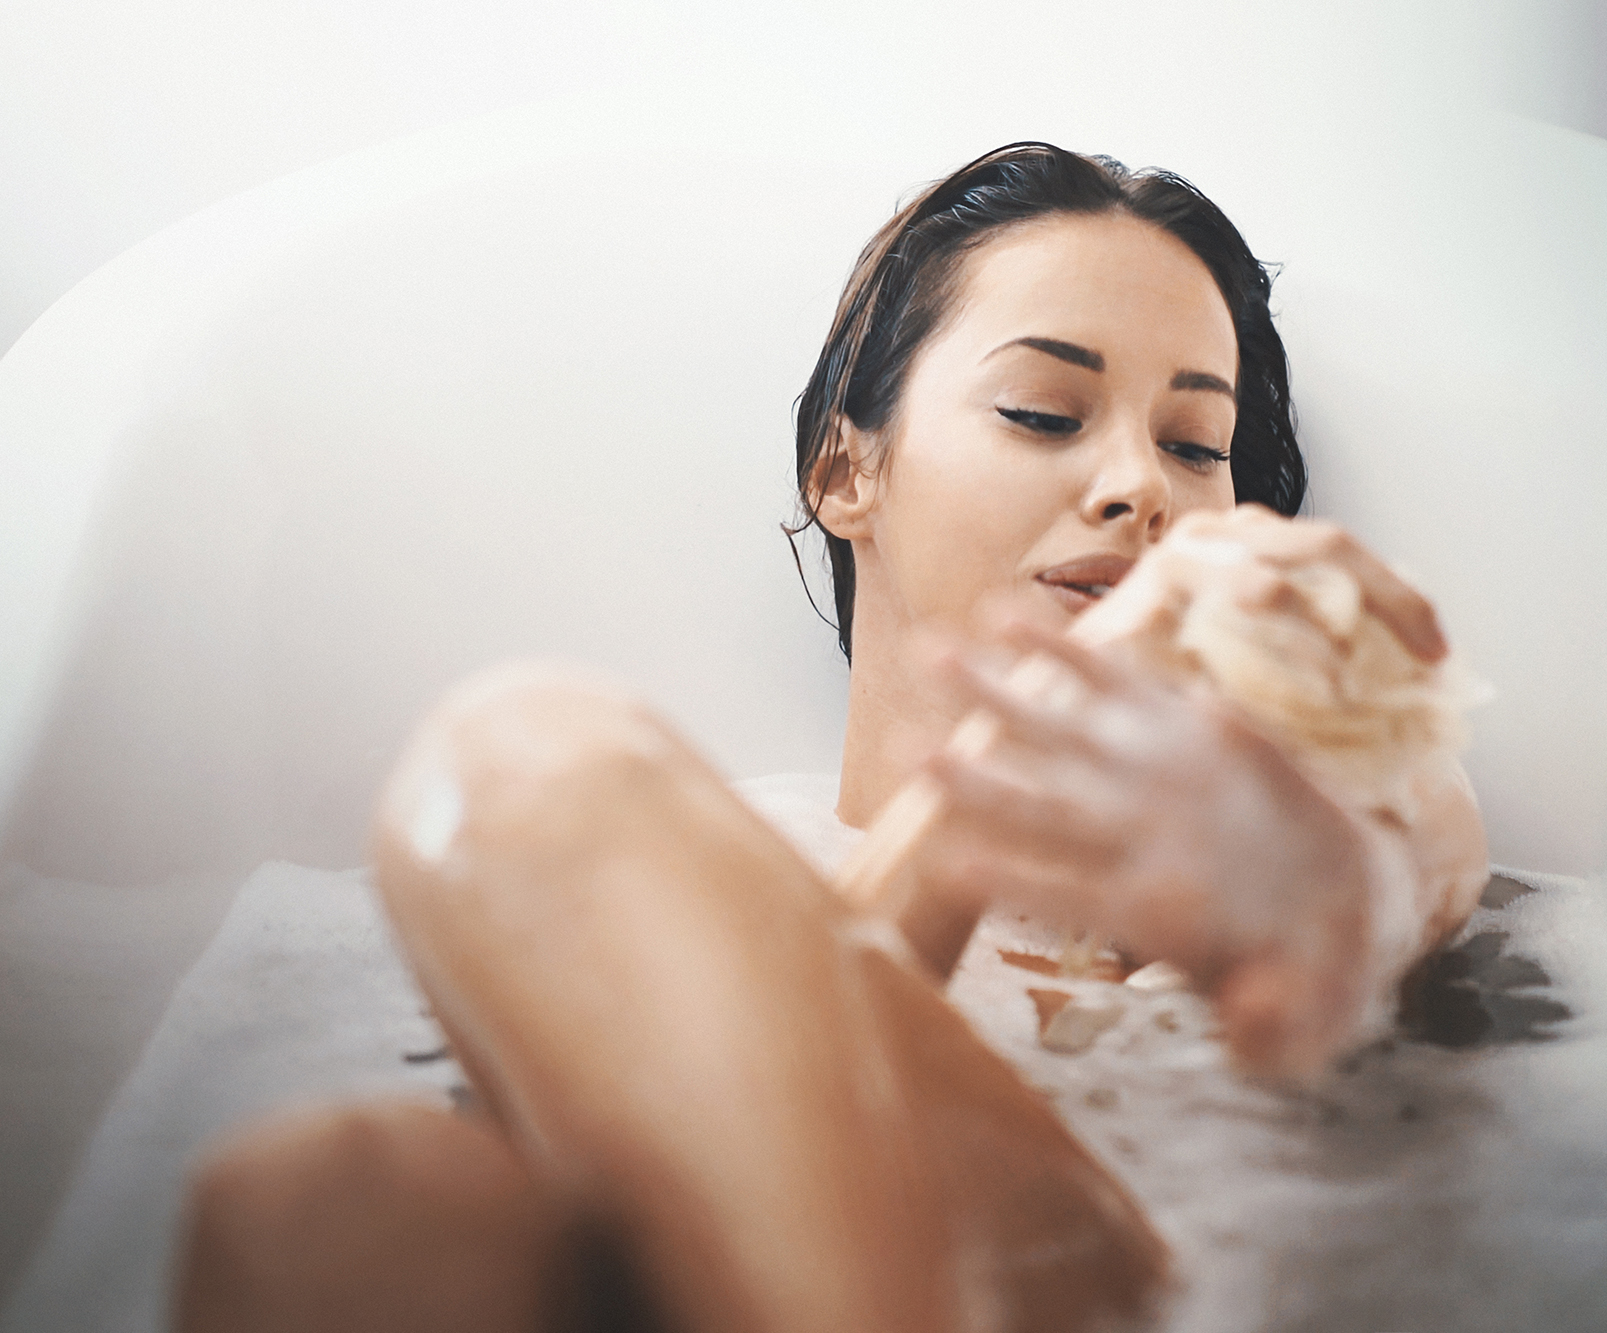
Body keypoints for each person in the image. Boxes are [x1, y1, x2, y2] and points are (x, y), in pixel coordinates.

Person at [173, 143, 1488, 1333]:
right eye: (1043, 412)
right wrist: (955, 842)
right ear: (844, 471)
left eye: (1199, 444)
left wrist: (1322, 883)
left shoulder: (1280, 821)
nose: (1140, 484)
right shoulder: (692, 873)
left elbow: (1420, 845)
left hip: (1140, 1280)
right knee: (336, 1201)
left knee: (522, 759)